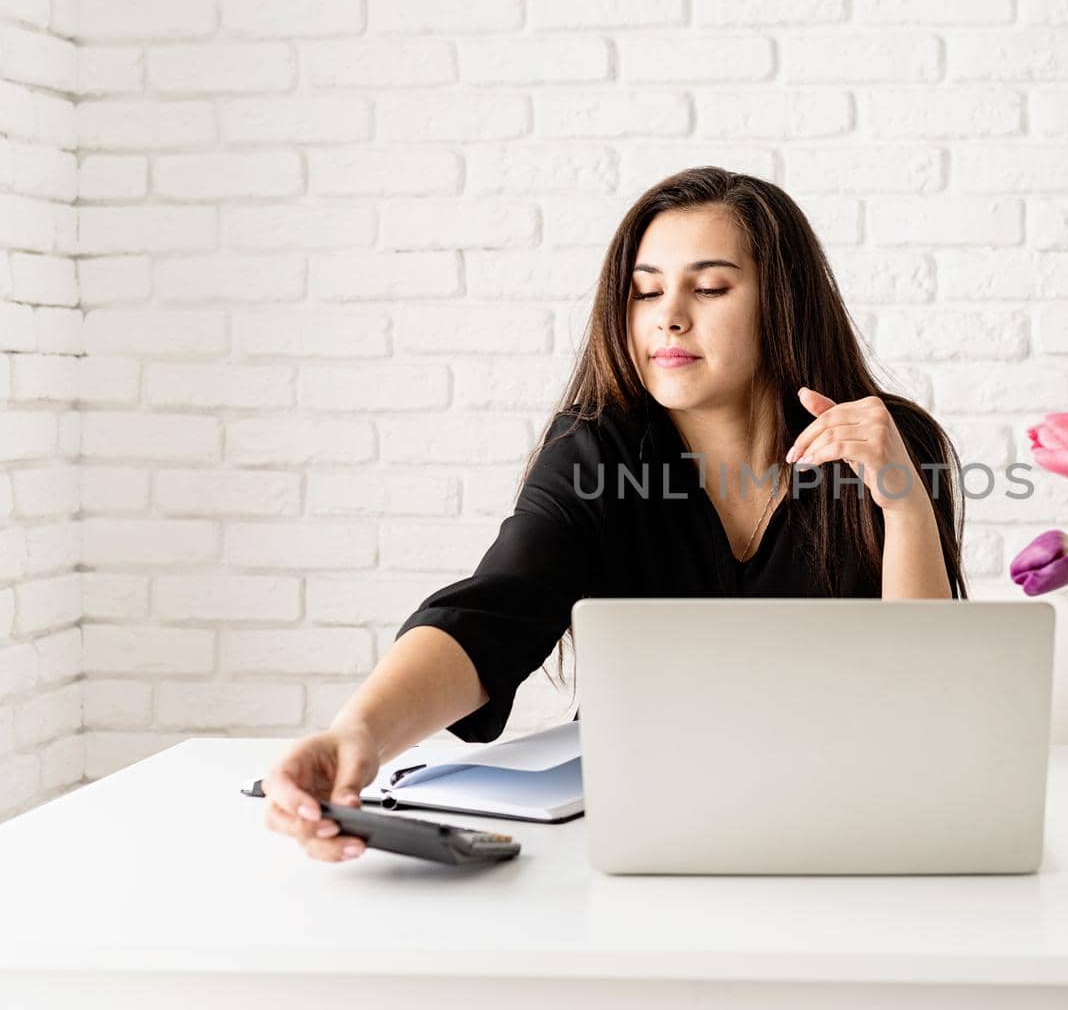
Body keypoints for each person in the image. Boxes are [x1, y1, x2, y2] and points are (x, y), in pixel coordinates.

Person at [262, 167, 968, 862]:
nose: (669, 314)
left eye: (710, 287)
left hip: (849, 821)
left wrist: (904, 506)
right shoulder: (595, 449)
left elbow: (931, 701)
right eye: (646, 291)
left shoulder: (884, 441)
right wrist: (358, 732)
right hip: (640, 825)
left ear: (782, 304)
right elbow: (496, 610)